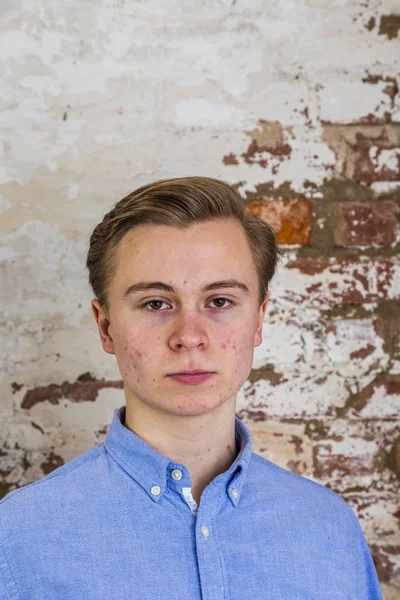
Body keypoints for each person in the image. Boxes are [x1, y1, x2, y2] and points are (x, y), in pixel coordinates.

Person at [0, 176, 382, 599]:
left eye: (219, 301)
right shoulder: (18, 538)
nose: (189, 336)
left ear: (258, 320)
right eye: (155, 303)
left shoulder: (329, 529)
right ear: (105, 327)